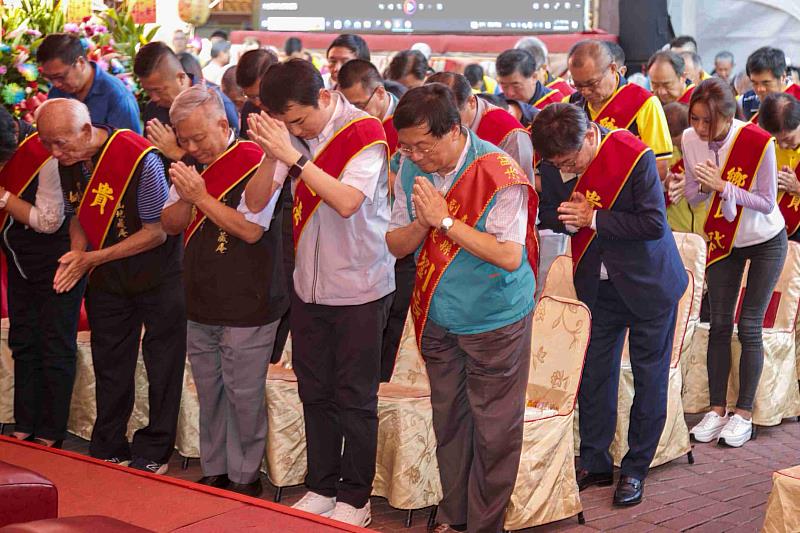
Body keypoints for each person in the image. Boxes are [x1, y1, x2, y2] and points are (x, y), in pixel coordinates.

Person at [244, 59, 394, 526]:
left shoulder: (364, 133)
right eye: (285, 123)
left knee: (355, 396)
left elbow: (348, 202)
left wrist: (295, 157)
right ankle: (321, 486)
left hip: (360, 286)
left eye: (299, 120)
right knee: (315, 391)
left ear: (324, 97)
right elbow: (253, 205)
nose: (295, 129)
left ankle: (356, 497)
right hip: (307, 288)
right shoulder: (290, 138)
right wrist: (273, 153)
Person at [386, 83, 537, 533]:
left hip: (495, 319)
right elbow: (396, 245)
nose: (414, 156)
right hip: (438, 317)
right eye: (406, 147)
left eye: (423, 146)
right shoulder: (410, 169)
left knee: (494, 431)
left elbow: (510, 255)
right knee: (449, 423)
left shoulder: (498, 170)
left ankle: (485, 525)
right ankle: (454, 519)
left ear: (455, 129)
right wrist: (421, 221)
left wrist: (445, 221)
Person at [532, 103, 687, 507]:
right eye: (558, 164)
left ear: (588, 137)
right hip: (597, 286)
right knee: (594, 376)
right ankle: (595, 461)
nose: (565, 170)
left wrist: (594, 218)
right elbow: (549, 211)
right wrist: (566, 217)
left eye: (571, 162)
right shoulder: (553, 157)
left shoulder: (633, 155)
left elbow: (653, 223)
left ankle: (635, 469)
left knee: (648, 377)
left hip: (648, 283)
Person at [36, 98, 186, 473]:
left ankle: (154, 450)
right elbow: (79, 216)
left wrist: (92, 259)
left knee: (162, 362)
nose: (55, 153)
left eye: (61, 143)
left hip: (156, 274)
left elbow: (155, 233)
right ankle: (109, 442)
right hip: (107, 278)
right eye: (47, 144)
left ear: (86, 131)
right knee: (110, 360)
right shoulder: (69, 160)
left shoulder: (138, 158)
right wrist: (76, 253)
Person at [160, 85, 286, 497]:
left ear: (222, 123)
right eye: (184, 140)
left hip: (248, 297)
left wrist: (201, 196)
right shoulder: (192, 168)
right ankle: (215, 467)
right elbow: (172, 223)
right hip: (199, 297)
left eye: (199, 137)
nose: (192, 147)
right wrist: (187, 193)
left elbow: (250, 230)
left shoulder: (257, 159)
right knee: (208, 389)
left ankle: (245, 475)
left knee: (243, 393)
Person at [681, 78, 786, 448]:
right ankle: (715, 409)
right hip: (724, 240)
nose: (699, 128)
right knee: (719, 323)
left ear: (728, 116)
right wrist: (689, 184)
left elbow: (767, 201)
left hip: (764, 240)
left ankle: (744, 414)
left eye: (707, 121)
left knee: (750, 324)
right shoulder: (689, 139)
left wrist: (723, 185)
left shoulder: (757, 142)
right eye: (694, 118)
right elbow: (694, 198)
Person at [0, 107, 85, 449]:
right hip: (20, 260)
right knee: (23, 339)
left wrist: (4, 197)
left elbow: (49, 220)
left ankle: (51, 429)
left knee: (54, 342)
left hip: (56, 261)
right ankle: (26, 421)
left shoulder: (42, 153)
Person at [567, 39, 673, 180]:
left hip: (627, 197)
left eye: (591, 83)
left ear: (612, 69)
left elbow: (659, 169)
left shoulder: (644, 103)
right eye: (578, 85)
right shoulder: (571, 105)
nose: (585, 92)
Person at [133, 42, 240, 164]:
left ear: (180, 78)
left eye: (158, 90)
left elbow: (232, 164)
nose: (154, 98)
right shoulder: (153, 109)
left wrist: (175, 152)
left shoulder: (218, 105)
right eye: (148, 91)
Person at [425, 72, 534, 182]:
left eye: (450, 119)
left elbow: (521, 189)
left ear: (471, 102)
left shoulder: (510, 134)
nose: (443, 128)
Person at [37, 33, 140, 133]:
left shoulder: (117, 96)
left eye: (60, 77)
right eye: (49, 78)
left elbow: (130, 146)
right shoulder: (57, 93)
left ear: (80, 63)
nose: (56, 84)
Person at [759, 92, 800, 243]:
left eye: (788, 139)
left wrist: (797, 188)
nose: (781, 145)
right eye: (777, 140)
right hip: (770, 229)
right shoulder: (764, 143)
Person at [663, 101, 707, 235]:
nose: (678, 146)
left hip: (707, 230)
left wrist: (694, 181)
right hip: (675, 230)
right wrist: (666, 181)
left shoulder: (713, 146)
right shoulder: (663, 149)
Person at [739, 47, 800, 122]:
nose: (759, 89)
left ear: (783, 77)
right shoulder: (745, 101)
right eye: (754, 83)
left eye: (766, 83)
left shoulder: (797, 96)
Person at [496, 49, 562, 111]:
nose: (510, 94)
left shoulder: (557, 104)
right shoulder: (496, 105)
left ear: (534, 77)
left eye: (516, 86)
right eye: (504, 86)